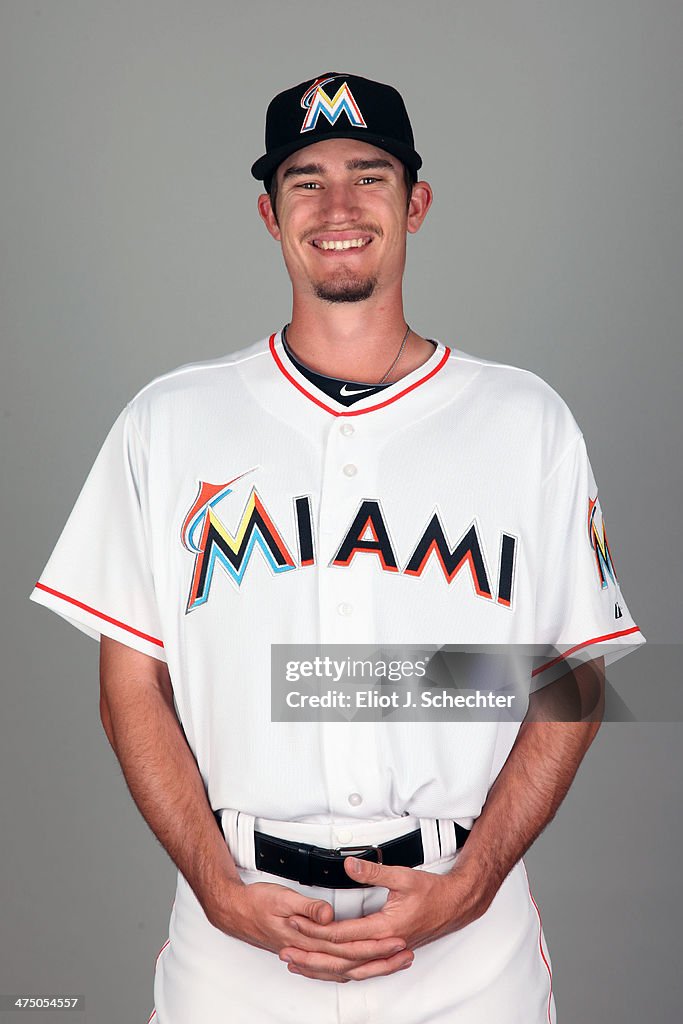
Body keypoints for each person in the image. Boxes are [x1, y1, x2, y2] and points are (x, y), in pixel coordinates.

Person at [30, 72, 645, 1023]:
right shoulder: (170, 421)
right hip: (234, 933)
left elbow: (569, 676)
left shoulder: (524, 422)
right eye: (306, 179)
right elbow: (129, 686)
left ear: (416, 203)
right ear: (269, 213)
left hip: (465, 941)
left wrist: (474, 881)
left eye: (370, 175)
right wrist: (214, 883)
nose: (340, 206)